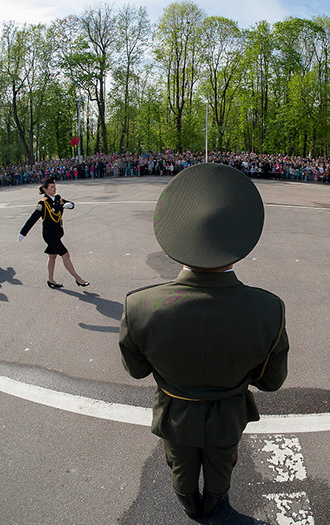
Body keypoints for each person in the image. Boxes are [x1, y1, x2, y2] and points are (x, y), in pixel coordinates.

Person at [119, 163, 289, 520]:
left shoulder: (140, 306)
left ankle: (189, 506)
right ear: (239, 241)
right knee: (221, 467)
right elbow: (271, 381)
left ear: (178, 237)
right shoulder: (267, 309)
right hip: (228, 413)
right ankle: (214, 504)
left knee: (180, 466)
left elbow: (136, 370)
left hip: (175, 412)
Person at [18, 177, 89, 289]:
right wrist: (23, 232)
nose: (54, 189)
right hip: (49, 235)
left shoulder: (57, 198)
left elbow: (69, 203)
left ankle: (50, 280)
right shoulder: (43, 203)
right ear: (45, 189)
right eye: (52, 187)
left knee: (52, 256)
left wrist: (70, 205)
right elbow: (33, 218)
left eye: (55, 187)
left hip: (57, 233)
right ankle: (78, 279)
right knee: (65, 254)